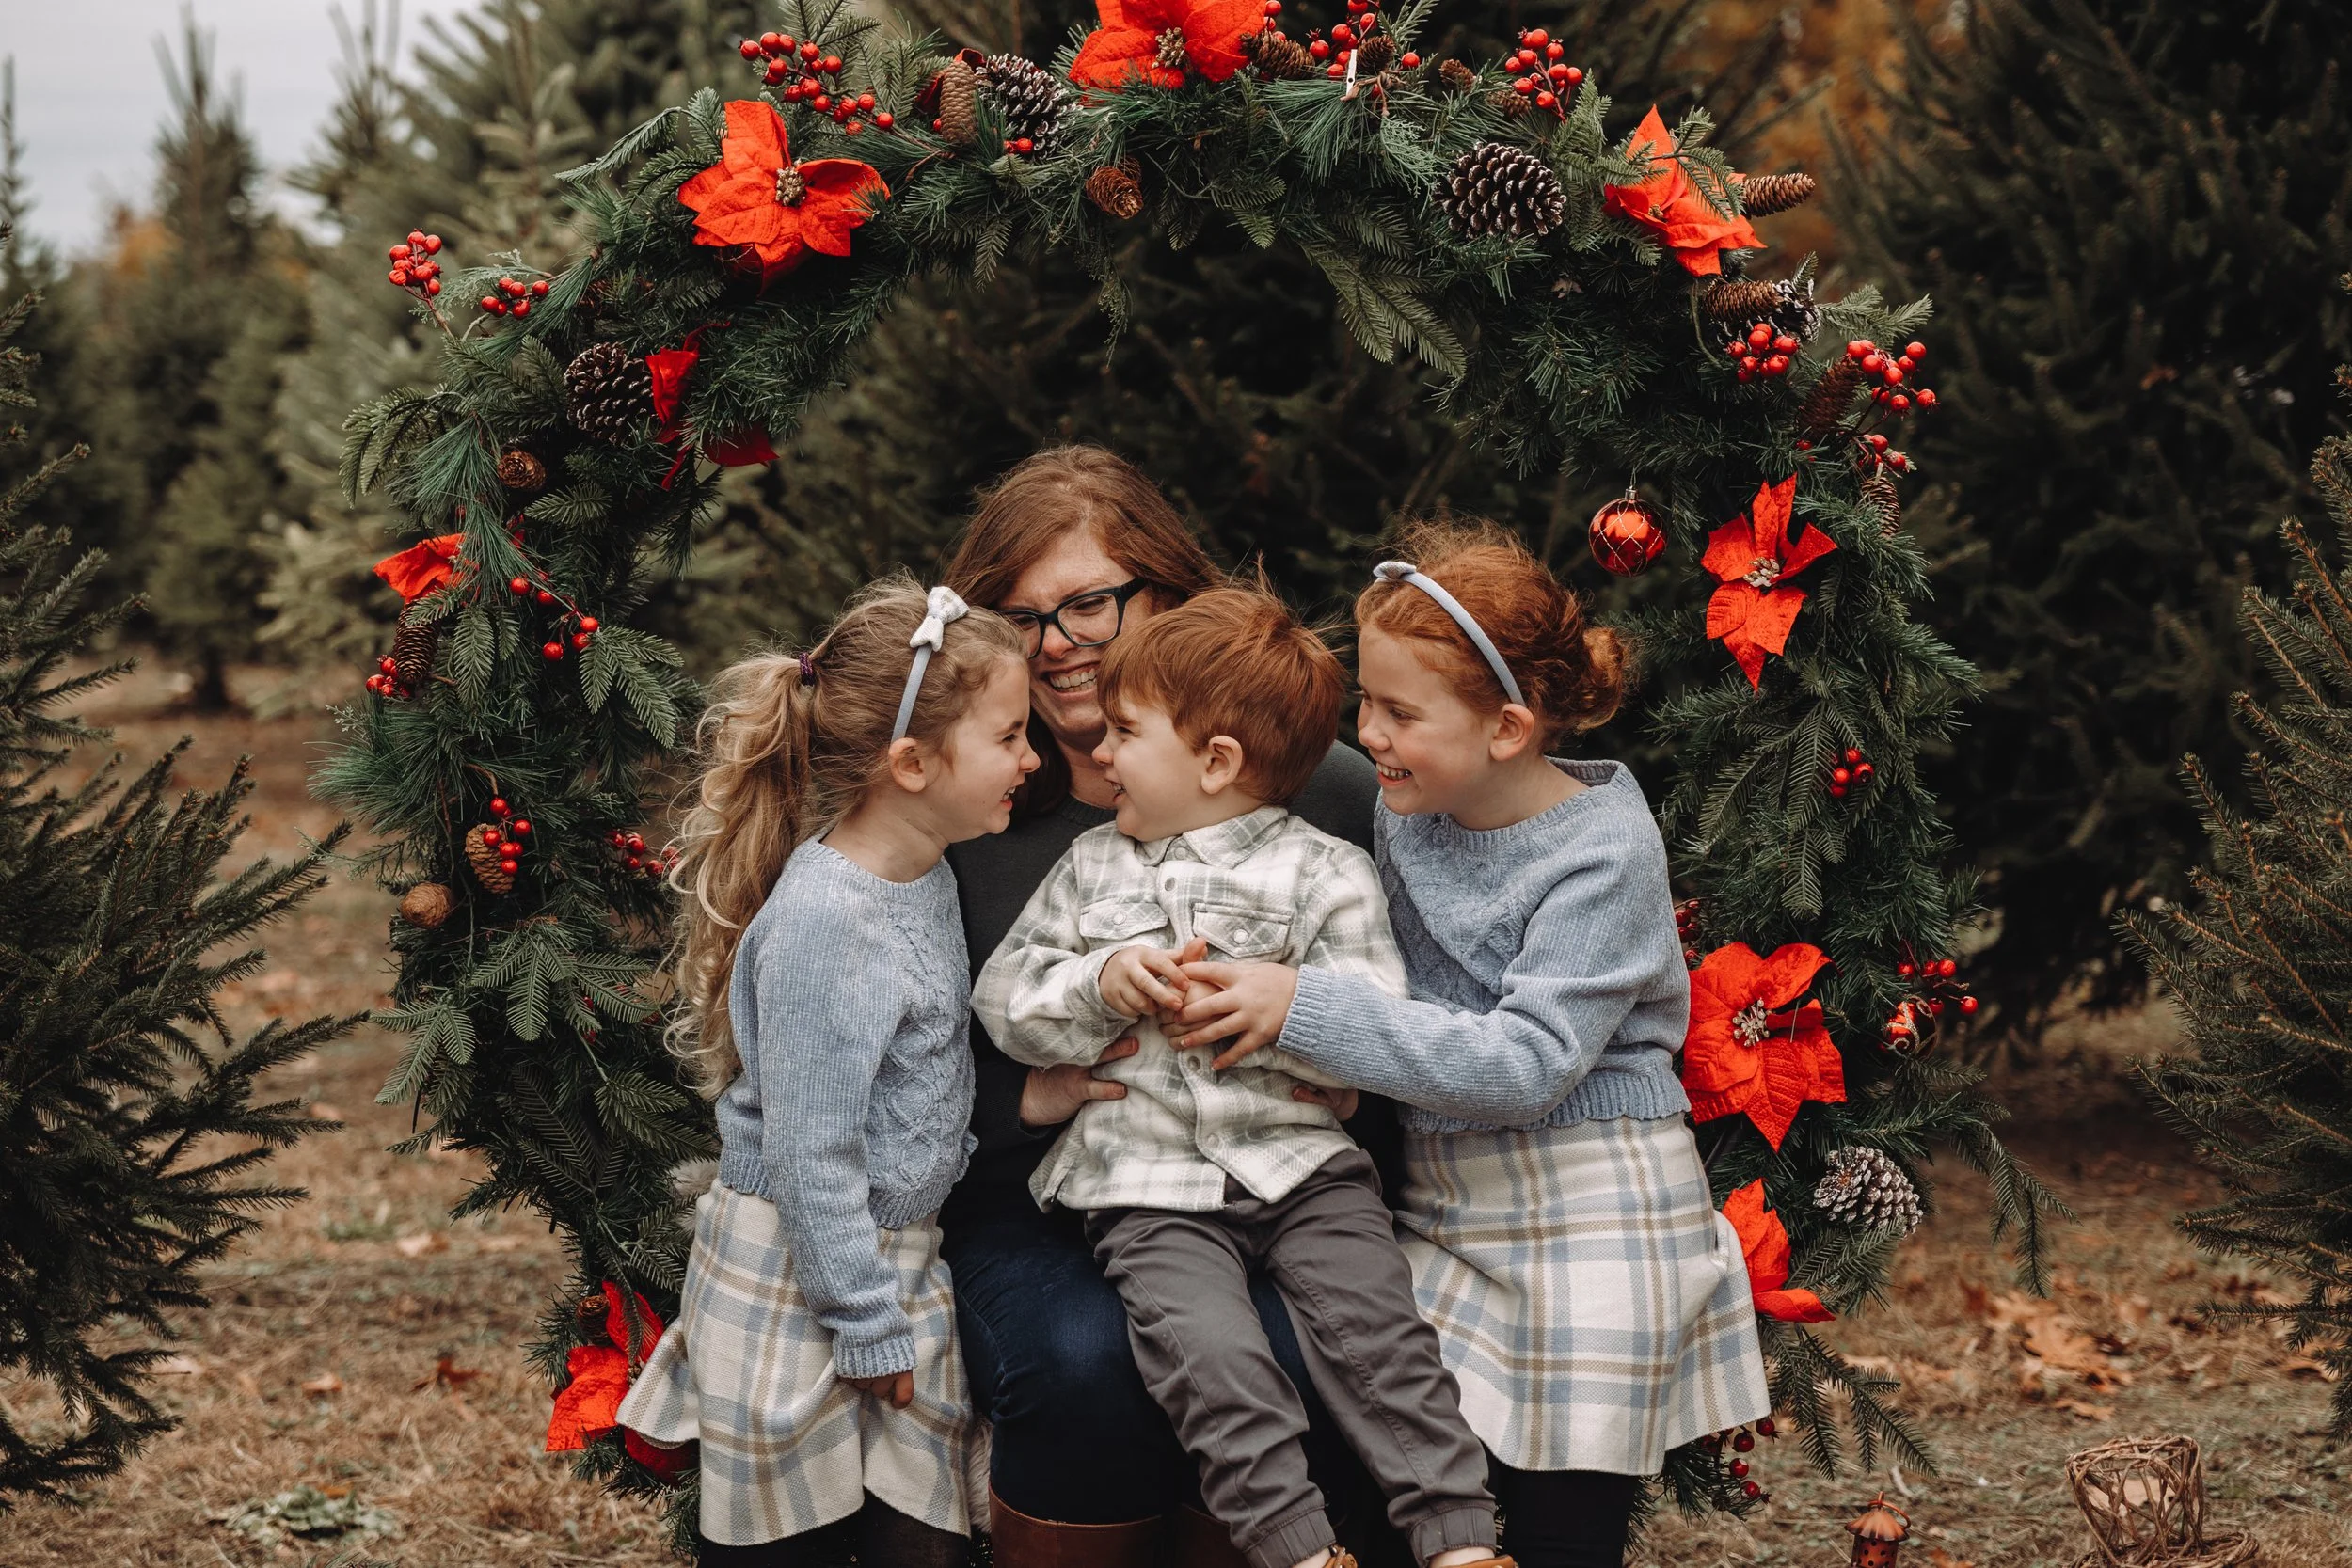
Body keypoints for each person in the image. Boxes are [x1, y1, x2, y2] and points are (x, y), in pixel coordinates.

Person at [1170, 524, 1773, 1568]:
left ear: (1506, 727)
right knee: (1417, 1489)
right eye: (1367, 702)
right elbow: (1392, 989)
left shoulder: (1602, 850)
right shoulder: (1412, 813)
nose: (1370, 735)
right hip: (1451, 1207)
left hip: (1591, 1206)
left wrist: (1304, 1010)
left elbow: (1523, 1064)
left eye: (1400, 713)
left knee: (1557, 1523)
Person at [974, 587, 1513, 1568]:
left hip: (1302, 1167)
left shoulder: (1325, 872)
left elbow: (1377, 1022)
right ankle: (1297, 1548)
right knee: (1212, 1357)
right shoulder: (1092, 871)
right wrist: (1099, 982)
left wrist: (1289, 1010)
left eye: (1126, 731)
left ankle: (1459, 1540)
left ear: (1215, 761)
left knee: (1379, 1337)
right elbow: (1005, 1000)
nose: (1100, 752)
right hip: (1146, 1186)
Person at [938, 446, 1403, 1568]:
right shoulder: (969, 799)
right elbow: (903, 1047)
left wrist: (1330, 1054)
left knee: (1300, 1345)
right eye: (1020, 618)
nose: (1057, 645)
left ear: (1166, 592)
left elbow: (1390, 1010)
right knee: (1089, 1355)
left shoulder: (1317, 788)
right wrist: (1028, 1100)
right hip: (1043, 1198)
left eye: (1090, 602)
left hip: (1275, 1174)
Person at [616, 578, 1036, 1566]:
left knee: (923, 1533)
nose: (1031, 756)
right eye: (1010, 736)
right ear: (912, 762)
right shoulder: (828, 922)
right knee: (784, 1543)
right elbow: (812, 1149)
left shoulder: (921, 871)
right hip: (805, 1269)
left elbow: (910, 1072)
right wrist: (863, 1319)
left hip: (888, 1260)